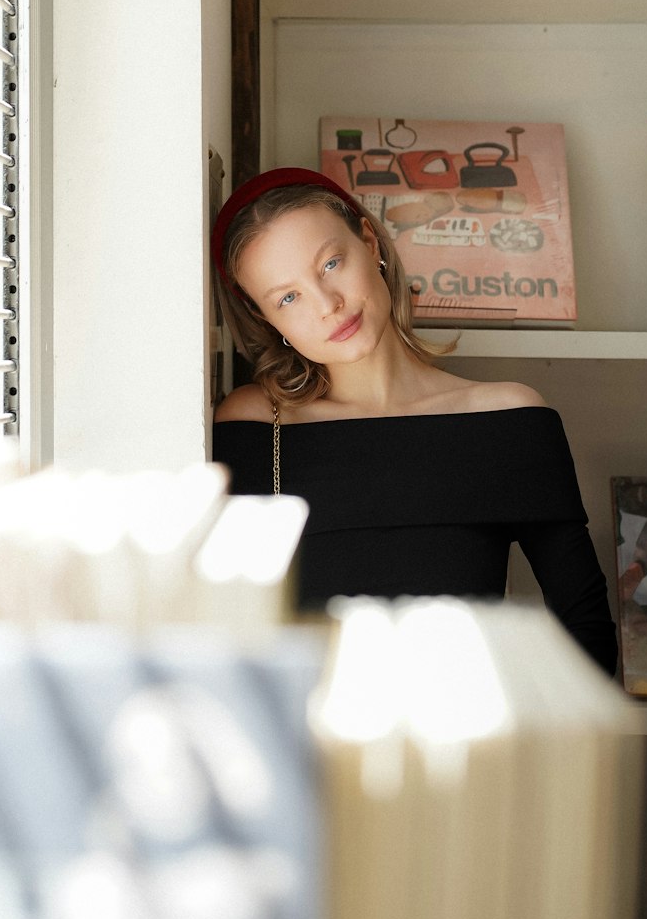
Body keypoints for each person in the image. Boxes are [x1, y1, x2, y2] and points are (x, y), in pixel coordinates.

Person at [211, 167, 618, 675]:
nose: (327, 305)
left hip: (467, 743)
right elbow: (225, 635)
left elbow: (585, 625)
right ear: (266, 317)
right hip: (312, 746)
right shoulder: (252, 427)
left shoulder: (507, 418)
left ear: (369, 241)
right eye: (287, 297)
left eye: (331, 263)